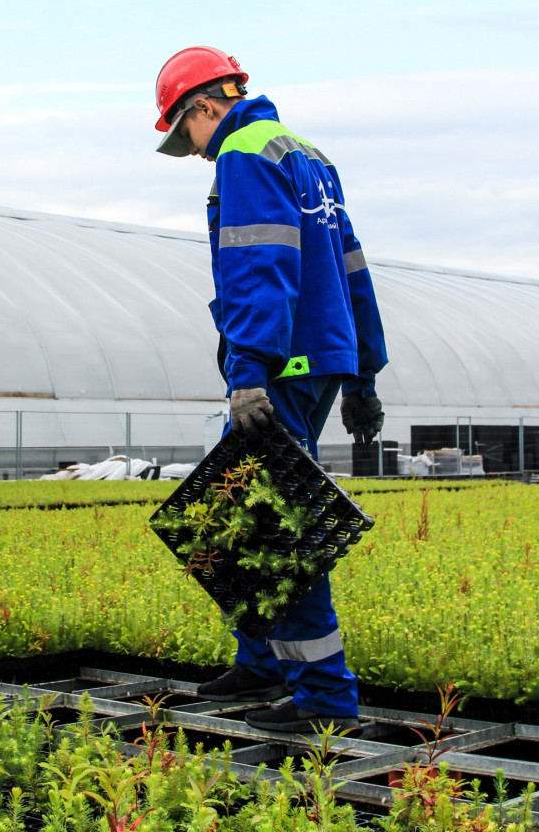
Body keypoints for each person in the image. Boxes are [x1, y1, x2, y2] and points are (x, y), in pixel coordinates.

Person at [153, 46, 388, 733]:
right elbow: (353, 270)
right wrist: (363, 373)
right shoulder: (307, 155)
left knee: (272, 531)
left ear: (204, 107)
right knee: (242, 518)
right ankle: (259, 660)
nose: (191, 151)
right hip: (318, 363)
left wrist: (248, 370)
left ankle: (323, 699)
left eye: (185, 133)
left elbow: (261, 265)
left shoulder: (244, 154)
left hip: (277, 369)